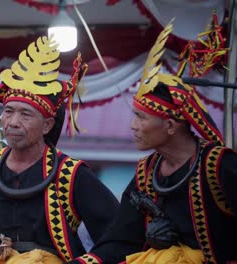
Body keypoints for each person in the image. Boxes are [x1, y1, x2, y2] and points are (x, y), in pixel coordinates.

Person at [0, 36, 119, 263]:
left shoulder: (71, 174)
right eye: (8, 111)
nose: (13, 122)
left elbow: (116, 235)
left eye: (25, 114)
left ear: (47, 125)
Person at [75, 22, 237, 264]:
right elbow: (122, 239)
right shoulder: (146, 172)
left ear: (171, 126)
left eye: (141, 117)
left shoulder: (219, 165)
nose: (133, 126)